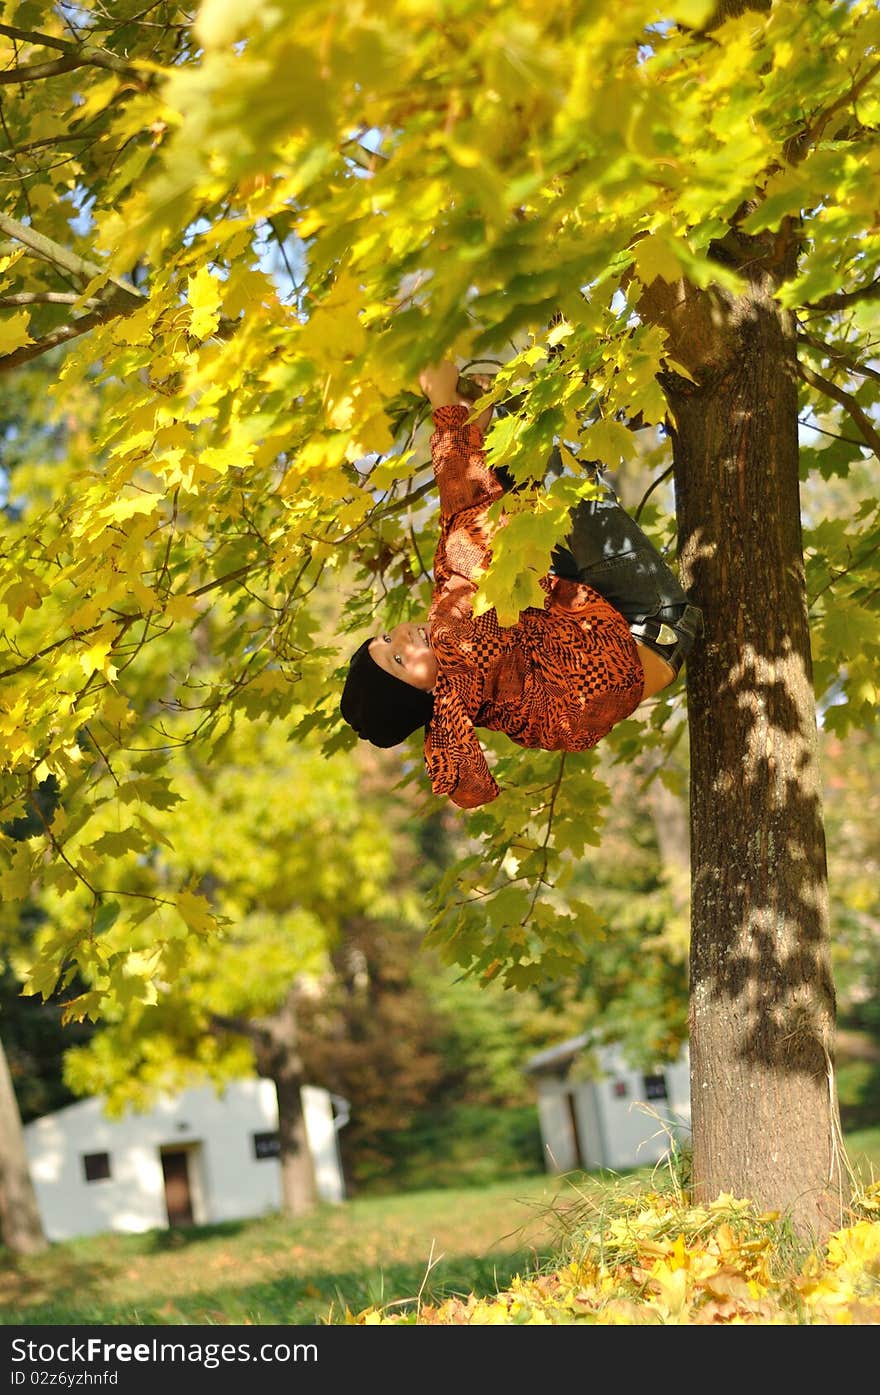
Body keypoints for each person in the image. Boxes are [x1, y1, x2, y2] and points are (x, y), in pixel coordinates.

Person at [340, 360, 702, 809]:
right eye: (398, 659)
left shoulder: (466, 690)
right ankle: (632, 384)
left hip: (592, 624)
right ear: (428, 696)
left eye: (385, 637)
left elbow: (477, 533)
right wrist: (446, 409)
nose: (403, 637)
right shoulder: (460, 652)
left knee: (512, 483)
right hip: (647, 623)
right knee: (536, 459)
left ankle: (592, 404)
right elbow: (468, 524)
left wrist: (473, 436)